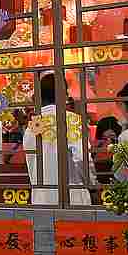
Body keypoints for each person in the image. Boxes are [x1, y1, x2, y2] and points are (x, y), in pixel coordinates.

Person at [22, 74, 91, 206]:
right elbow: (83, 158)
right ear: (64, 95)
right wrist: (92, 183)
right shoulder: (72, 121)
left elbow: (31, 165)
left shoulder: (31, 128)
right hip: (73, 198)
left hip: (41, 199)